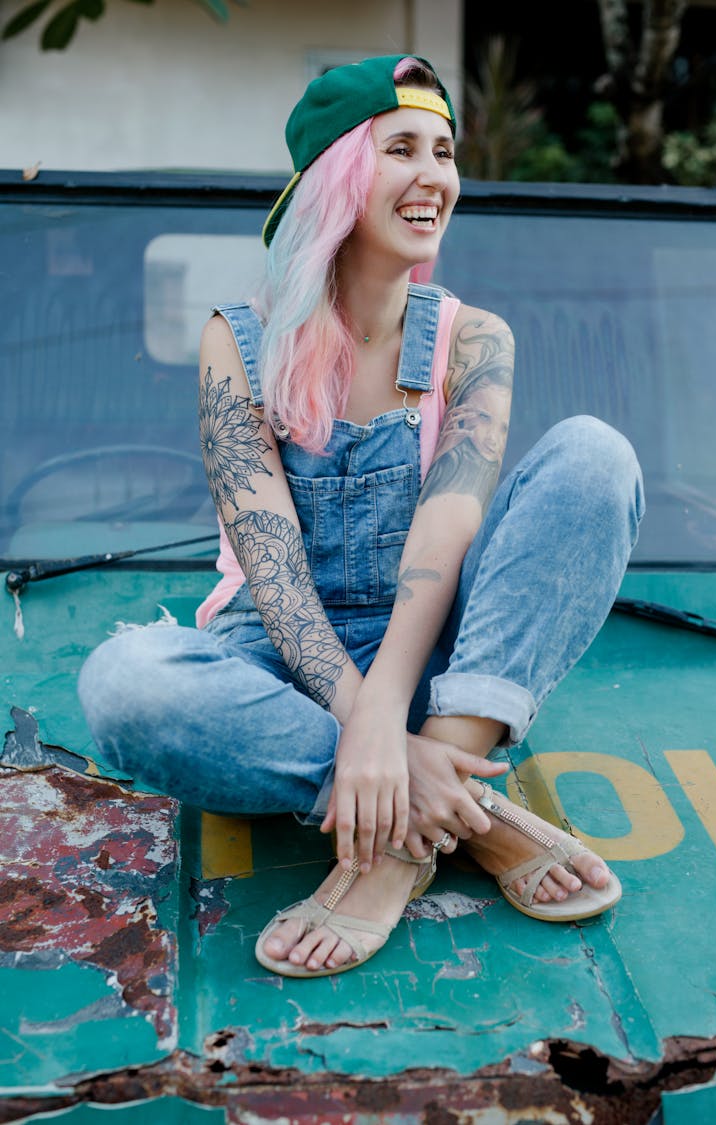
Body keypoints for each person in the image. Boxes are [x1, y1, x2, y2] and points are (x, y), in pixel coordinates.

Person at [77, 54, 645, 979]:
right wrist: (361, 719)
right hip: (282, 675)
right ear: (340, 172)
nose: (435, 176)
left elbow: (449, 527)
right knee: (126, 682)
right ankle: (465, 811)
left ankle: (393, 843)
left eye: (446, 151)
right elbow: (273, 567)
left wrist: (393, 702)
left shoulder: (474, 338)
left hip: (438, 673)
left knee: (595, 454)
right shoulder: (241, 339)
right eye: (403, 149)